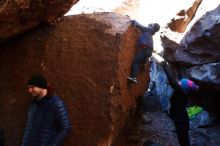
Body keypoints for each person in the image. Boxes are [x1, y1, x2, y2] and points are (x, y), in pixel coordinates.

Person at [21, 74, 71, 146]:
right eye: (29, 88)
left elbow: (65, 128)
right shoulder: (33, 104)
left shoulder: (56, 103)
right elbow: (28, 129)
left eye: (32, 87)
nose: (29, 90)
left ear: (41, 86)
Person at [158, 60, 199, 146]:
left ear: (183, 87)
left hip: (180, 120)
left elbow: (173, 83)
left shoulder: (182, 93)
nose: (178, 83)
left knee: (183, 139)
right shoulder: (183, 92)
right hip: (181, 118)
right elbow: (176, 83)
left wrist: (165, 67)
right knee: (183, 137)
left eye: (180, 84)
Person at [127, 20, 160, 84]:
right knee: (140, 61)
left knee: (136, 62)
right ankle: (144, 64)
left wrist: (133, 20)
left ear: (152, 26)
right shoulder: (151, 32)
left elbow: (139, 25)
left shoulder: (148, 29)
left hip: (145, 50)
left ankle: (133, 77)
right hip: (149, 51)